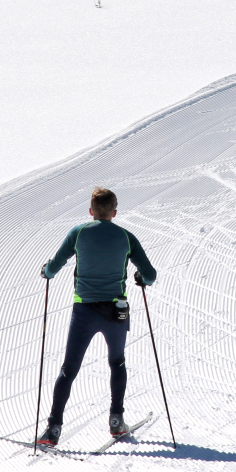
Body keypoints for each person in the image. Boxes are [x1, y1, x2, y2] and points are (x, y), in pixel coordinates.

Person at [37, 187, 156, 447]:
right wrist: (140, 278)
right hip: (116, 311)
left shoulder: (78, 233)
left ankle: (53, 429)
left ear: (91, 211)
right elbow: (150, 274)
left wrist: (46, 271)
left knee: (69, 370)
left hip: (84, 312)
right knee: (117, 363)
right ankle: (116, 421)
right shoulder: (126, 237)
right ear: (114, 212)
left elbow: (55, 266)